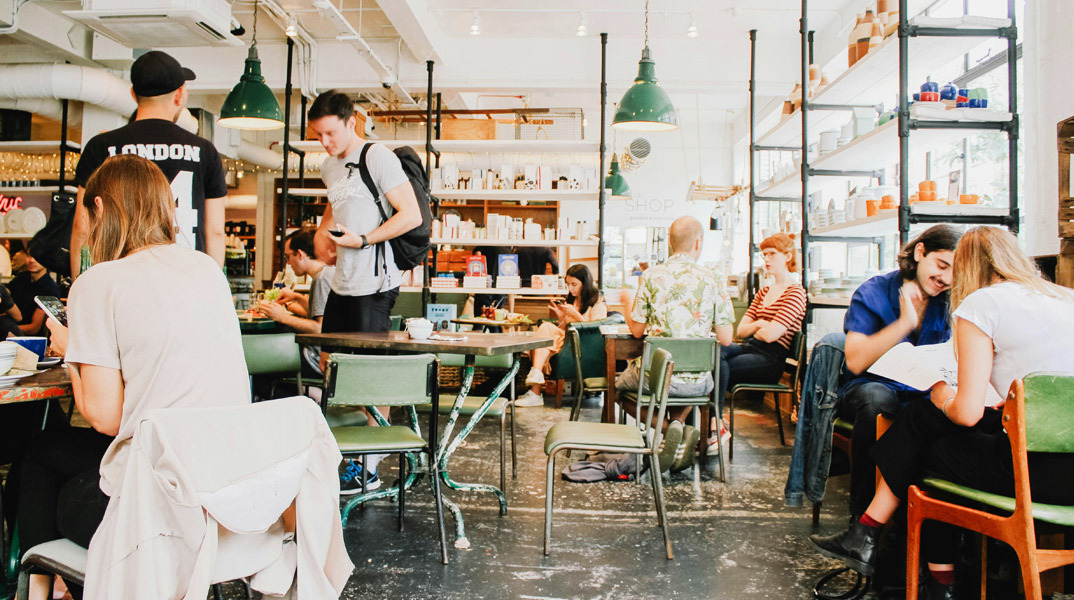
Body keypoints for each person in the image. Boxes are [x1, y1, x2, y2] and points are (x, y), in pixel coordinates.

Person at [16, 155, 250, 600]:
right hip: (224, 491)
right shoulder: (206, 270)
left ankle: (44, 588)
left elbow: (106, 418)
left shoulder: (99, 282)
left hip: (158, 508)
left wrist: (71, 352)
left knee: (40, 460)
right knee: (52, 455)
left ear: (100, 209)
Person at [810, 227, 1074, 599]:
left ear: (966, 267)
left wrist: (939, 392)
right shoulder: (1066, 296)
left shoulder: (982, 305)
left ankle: (900, 556)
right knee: (927, 423)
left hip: (1033, 474)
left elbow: (965, 413)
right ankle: (879, 541)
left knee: (931, 448)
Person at [837, 224, 960, 519]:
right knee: (879, 401)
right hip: (870, 388)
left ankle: (937, 535)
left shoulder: (951, 300)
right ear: (920, 252)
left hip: (924, 392)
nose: (946, 278)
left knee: (954, 413)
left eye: (955, 272)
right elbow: (854, 361)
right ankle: (862, 520)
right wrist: (904, 323)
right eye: (941, 265)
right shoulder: (874, 291)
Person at [70, 50, 227, 276]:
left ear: (133, 94)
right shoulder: (204, 152)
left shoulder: (101, 147)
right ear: (180, 94)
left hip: (121, 277)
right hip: (186, 277)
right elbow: (215, 231)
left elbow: (83, 226)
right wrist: (213, 287)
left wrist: (79, 284)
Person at [617, 216, 735, 473]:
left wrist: (627, 302)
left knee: (617, 388)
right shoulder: (714, 278)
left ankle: (669, 429)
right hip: (700, 382)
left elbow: (636, 331)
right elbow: (726, 338)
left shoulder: (651, 276)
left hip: (657, 378)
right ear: (698, 243)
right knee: (688, 380)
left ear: (670, 244)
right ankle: (679, 430)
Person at [308, 90, 421, 338]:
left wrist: (363, 240)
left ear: (351, 123)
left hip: (375, 285)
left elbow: (412, 215)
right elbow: (336, 203)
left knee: (363, 368)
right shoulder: (328, 166)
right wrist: (322, 233)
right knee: (329, 361)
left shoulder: (377, 157)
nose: (325, 142)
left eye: (330, 133)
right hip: (340, 284)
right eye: (319, 135)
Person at [715, 233, 806, 454]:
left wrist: (758, 326)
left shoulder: (795, 293)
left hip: (770, 359)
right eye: (764, 254)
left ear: (787, 256)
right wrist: (760, 324)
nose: (766, 259)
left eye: (772, 254)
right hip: (749, 348)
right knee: (715, 351)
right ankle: (713, 424)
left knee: (717, 365)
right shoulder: (763, 291)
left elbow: (772, 336)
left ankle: (713, 424)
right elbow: (741, 330)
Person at [518, 264, 607, 407]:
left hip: (584, 345)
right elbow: (567, 327)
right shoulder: (573, 299)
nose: (570, 289)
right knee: (545, 330)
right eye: (568, 284)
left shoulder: (597, 301)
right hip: (568, 340)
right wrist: (561, 316)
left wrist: (575, 314)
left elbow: (596, 329)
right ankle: (535, 381)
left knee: (545, 332)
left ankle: (535, 390)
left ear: (585, 283)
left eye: (574, 284)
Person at [258, 229, 335, 377]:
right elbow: (327, 314)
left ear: (300, 254)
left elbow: (321, 329)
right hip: (326, 355)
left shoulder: (321, 280)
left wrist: (282, 317)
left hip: (316, 358)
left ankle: (313, 393)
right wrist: (297, 297)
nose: (288, 263)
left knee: (262, 359)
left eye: (288, 257)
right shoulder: (328, 272)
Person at [8, 247, 63, 336]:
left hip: (31, 340)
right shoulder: (21, 279)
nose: (32, 260)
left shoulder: (51, 289)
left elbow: (34, 328)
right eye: (29, 255)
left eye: (37, 256)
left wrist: (5, 328)